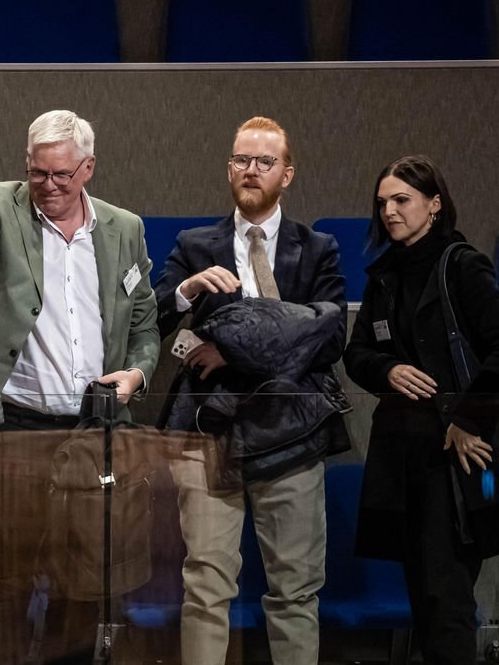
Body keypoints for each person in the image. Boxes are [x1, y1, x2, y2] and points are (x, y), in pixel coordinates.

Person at [0, 112, 159, 663]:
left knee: (83, 585)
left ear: (88, 169)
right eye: (38, 174)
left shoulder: (124, 228)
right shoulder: (0, 206)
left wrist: (136, 373)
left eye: (61, 175)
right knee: (7, 581)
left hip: (93, 432)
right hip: (14, 428)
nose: (49, 187)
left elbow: (145, 324)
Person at [153, 116, 347, 665]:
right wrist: (188, 293)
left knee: (294, 590)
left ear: (287, 174)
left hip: (291, 433)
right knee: (206, 587)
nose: (251, 170)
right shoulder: (194, 245)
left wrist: (234, 349)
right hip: (208, 435)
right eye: (241, 160)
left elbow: (330, 337)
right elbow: (156, 325)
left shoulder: (318, 248)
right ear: (229, 169)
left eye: (265, 162)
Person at [343, 155, 499, 664]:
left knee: (446, 601)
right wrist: (387, 371)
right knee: (422, 599)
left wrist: (465, 420)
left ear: (434, 205)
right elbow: (358, 353)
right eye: (382, 202)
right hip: (402, 457)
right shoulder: (386, 272)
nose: (389, 210)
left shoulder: (462, 264)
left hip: (453, 461)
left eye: (402, 200)